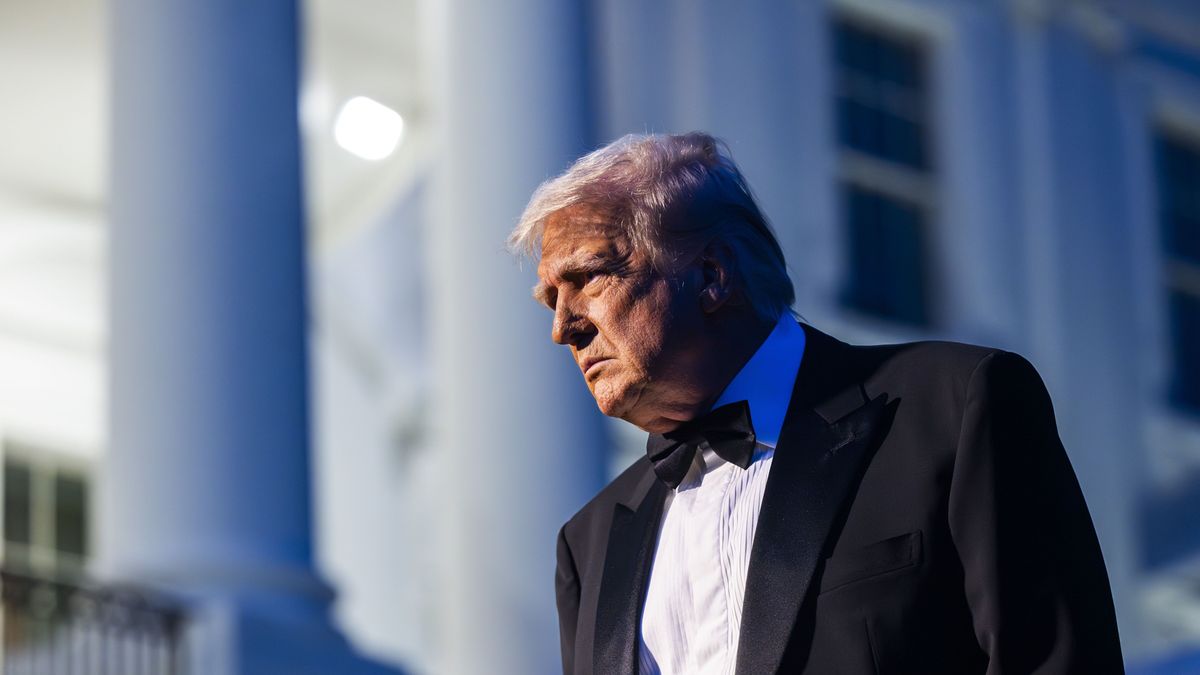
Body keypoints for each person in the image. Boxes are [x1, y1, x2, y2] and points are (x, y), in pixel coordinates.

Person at [508, 132, 1123, 674]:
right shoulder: (586, 544)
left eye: (588, 276)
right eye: (549, 299)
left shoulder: (954, 408)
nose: (563, 328)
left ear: (713, 274)